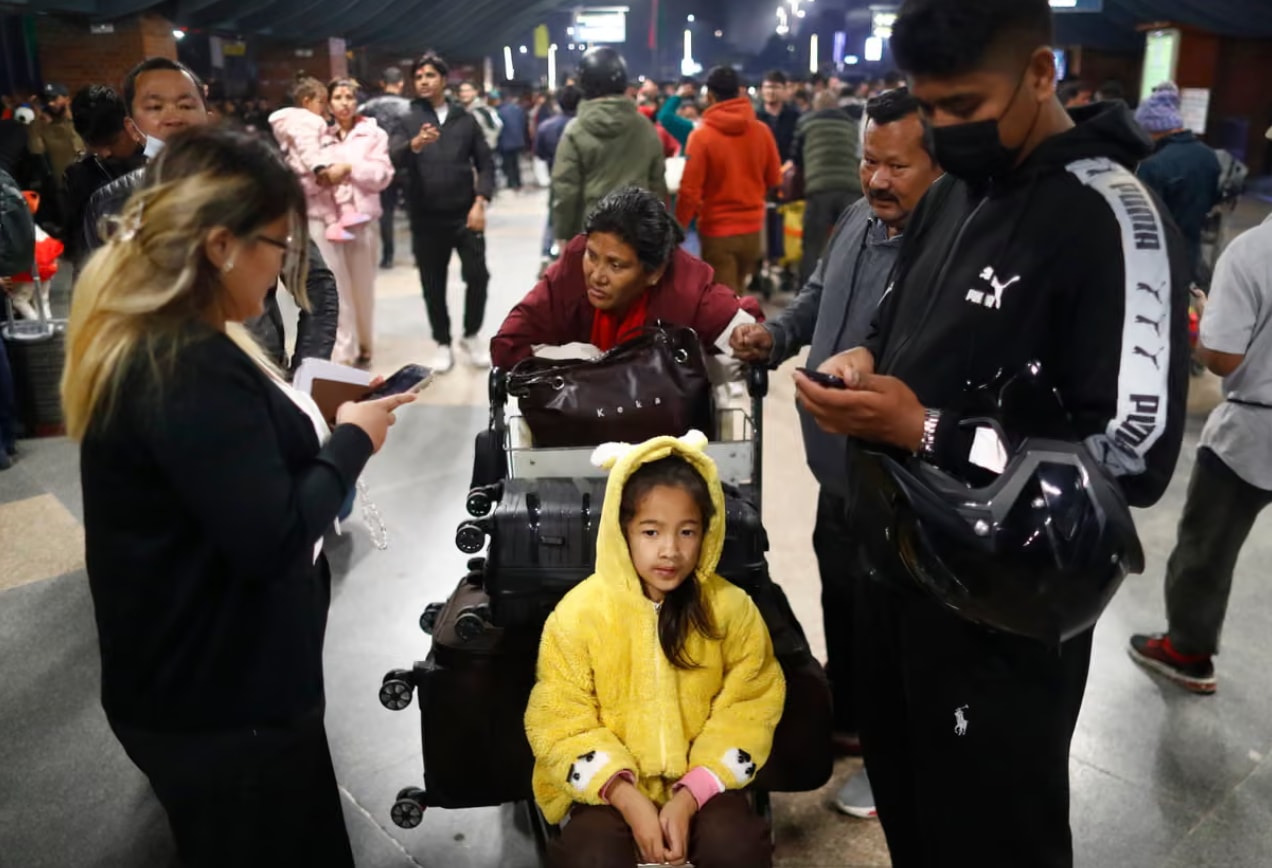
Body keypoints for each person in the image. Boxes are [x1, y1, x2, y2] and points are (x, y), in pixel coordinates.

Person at [793, 1, 1189, 864]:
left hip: (1003, 615)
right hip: (899, 575)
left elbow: (1129, 459)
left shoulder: (1113, 217)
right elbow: (898, 332)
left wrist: (929, 430)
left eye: (963, 108)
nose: (943, 131)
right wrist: (862, 361)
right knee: (914, 815)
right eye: (928, 109)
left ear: (1041, 75)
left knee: (996, 836)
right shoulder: (956, 193)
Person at [63, 126, 415, 868]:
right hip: (222, 706)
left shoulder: (174, 336)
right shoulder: (183, 364)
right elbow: (274, 535)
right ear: (222, 245)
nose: (283, 267)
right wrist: (353, 440)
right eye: (277, 245)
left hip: (210, 686)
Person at [731, 85, 942, 821]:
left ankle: (893, 764)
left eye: (898, 166)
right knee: (842, 600)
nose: (877, 180)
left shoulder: (946, 247)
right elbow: (818, 297)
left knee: (890, 628)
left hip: (897, 481)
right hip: (835, 470)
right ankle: (851, 721)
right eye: (868, 161)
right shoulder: (856, 217)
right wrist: (778, 336)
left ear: (938, 165)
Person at [524, 432, 785, 868]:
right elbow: (559, 717)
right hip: (606, 787)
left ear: (708, 532)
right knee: (590, 854)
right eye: (651, 531)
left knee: (737, 846)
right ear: (620, 532)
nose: (671, 551)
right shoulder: (579, 614)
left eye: (688, 532)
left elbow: (750, 705)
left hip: (702, 781)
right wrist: (627, 798)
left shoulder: (731, 610)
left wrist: (688, 797)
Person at [81, 57, 340, 376]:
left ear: (208, 117)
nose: (172, 117)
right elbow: (108, 312)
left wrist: (307, 377)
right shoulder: (112, 203)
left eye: (185, 104)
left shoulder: (256, 185)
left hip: (260, 372)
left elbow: (314, 282)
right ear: (132, 128)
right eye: (155, 106)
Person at [1129, 214, 1272, 694]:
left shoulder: (1253, 251)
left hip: (1255, 430)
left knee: (1207, 547)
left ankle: (1187, 651)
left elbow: (1222, 358)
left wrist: (1210, 319)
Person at [492, 186, 760, 369]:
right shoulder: (573, 267)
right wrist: (562, 358)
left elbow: (748, 330)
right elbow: (507, 343)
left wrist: (746, 340)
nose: (597, 276)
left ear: (654, 273)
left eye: (616, 265)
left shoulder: (684, 287)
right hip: (575, 428)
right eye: (593, 256)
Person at [395, 53, 495, 373]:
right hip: (425, 217)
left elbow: (486, 163)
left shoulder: (464, 119)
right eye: (418, 76)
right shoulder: (408, 117)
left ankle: (471, 334)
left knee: (478, 275)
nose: (423, 81)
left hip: (465, 214)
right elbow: (392, 155)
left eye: (430, 75)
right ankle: (442, 341)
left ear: (443, 79)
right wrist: (415, 144)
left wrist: (481, 201)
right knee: (432, 282)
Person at [302, 78, 393, 367]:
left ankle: (366, 343)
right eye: (338, 97)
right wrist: (324, 176)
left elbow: (382, 175)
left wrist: (349, 169)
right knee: (336, 289)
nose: (344, 102)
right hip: (327, 222)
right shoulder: (318, 134)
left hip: (362, 221)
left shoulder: (373, 134)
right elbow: (308, 176)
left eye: (349, 97)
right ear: (328, 103)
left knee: (363, 289)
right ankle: (345, 351)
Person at [675, 66, 781, 294]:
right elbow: (774, 178)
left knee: (724, 306)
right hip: (753, 232)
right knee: (738, 294)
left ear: (710, 96)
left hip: (718, 233)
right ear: (739, 93)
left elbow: (690, 190)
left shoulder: (701, 137)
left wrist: (678, 228)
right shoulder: (761, 131)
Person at [552, 47, 668, 247]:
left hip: (592, 235)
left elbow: (565, 189)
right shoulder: (645, 127)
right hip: (637, 235)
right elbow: (657, 183)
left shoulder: (575, 130)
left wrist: (564, 234)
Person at [1134, 83, 1221, 283]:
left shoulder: (1153, 165)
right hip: (1192, 252)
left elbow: (1143, 219)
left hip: (1158, 260)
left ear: (1155, 128)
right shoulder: (1209, 156)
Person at [270, 76, 373, 244]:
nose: (325, 107)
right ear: (306, 101)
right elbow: (307, 146)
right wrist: (319, 167)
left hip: (307, 174)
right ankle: (342, 218)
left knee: (325, 203)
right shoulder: (306, 121)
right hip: (312, 172)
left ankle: (337, 223)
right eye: (322, 102)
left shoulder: (296, 121)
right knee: (328, 198)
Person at [62, 84, 144, 269]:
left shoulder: (163, 159)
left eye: (112, 142)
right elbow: (80, 250)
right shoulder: (82, 177)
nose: (105, 153)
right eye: (95, 146)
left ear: (129, 125)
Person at [791, 89, 863, 283]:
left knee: (812, 245)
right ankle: (846, 286)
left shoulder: (806, 122)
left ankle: (805, 289)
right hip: (851, 189)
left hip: (819, 188)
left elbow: (796, 158)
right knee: (849, 243)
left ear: (816, 106)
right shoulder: (850, 124)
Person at [359, 67, 412, 269]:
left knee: (386, 212)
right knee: (412, 210)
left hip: (379, 165)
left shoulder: (368, 107)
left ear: (382, 83)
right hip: (406, 164)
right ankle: (417, 255)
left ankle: (387, 257)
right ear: (401, 83)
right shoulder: (410, 107)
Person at [533, 85, 582, 266]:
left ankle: (548, 253)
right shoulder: (584, 127)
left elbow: (539, 152)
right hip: (584, 178)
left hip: (556, 176)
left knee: (555, 215)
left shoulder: (546, 127)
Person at [457, 81, 504, 154]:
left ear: (475, 92)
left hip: (482, 154)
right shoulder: (459, 110)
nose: (464, 94)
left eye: (467, 91)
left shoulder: (485, 110)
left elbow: (497, 126)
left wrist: (485, 149)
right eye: (462, 91)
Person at [496, 91, 527, 191]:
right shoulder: (519, 109)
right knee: (516, 162)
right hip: (518, 140)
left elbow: (498, 127)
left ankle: (511, 182)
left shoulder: (500, 111)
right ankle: (518, 182)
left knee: (508, 163)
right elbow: (523, 124)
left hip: (505, 141)